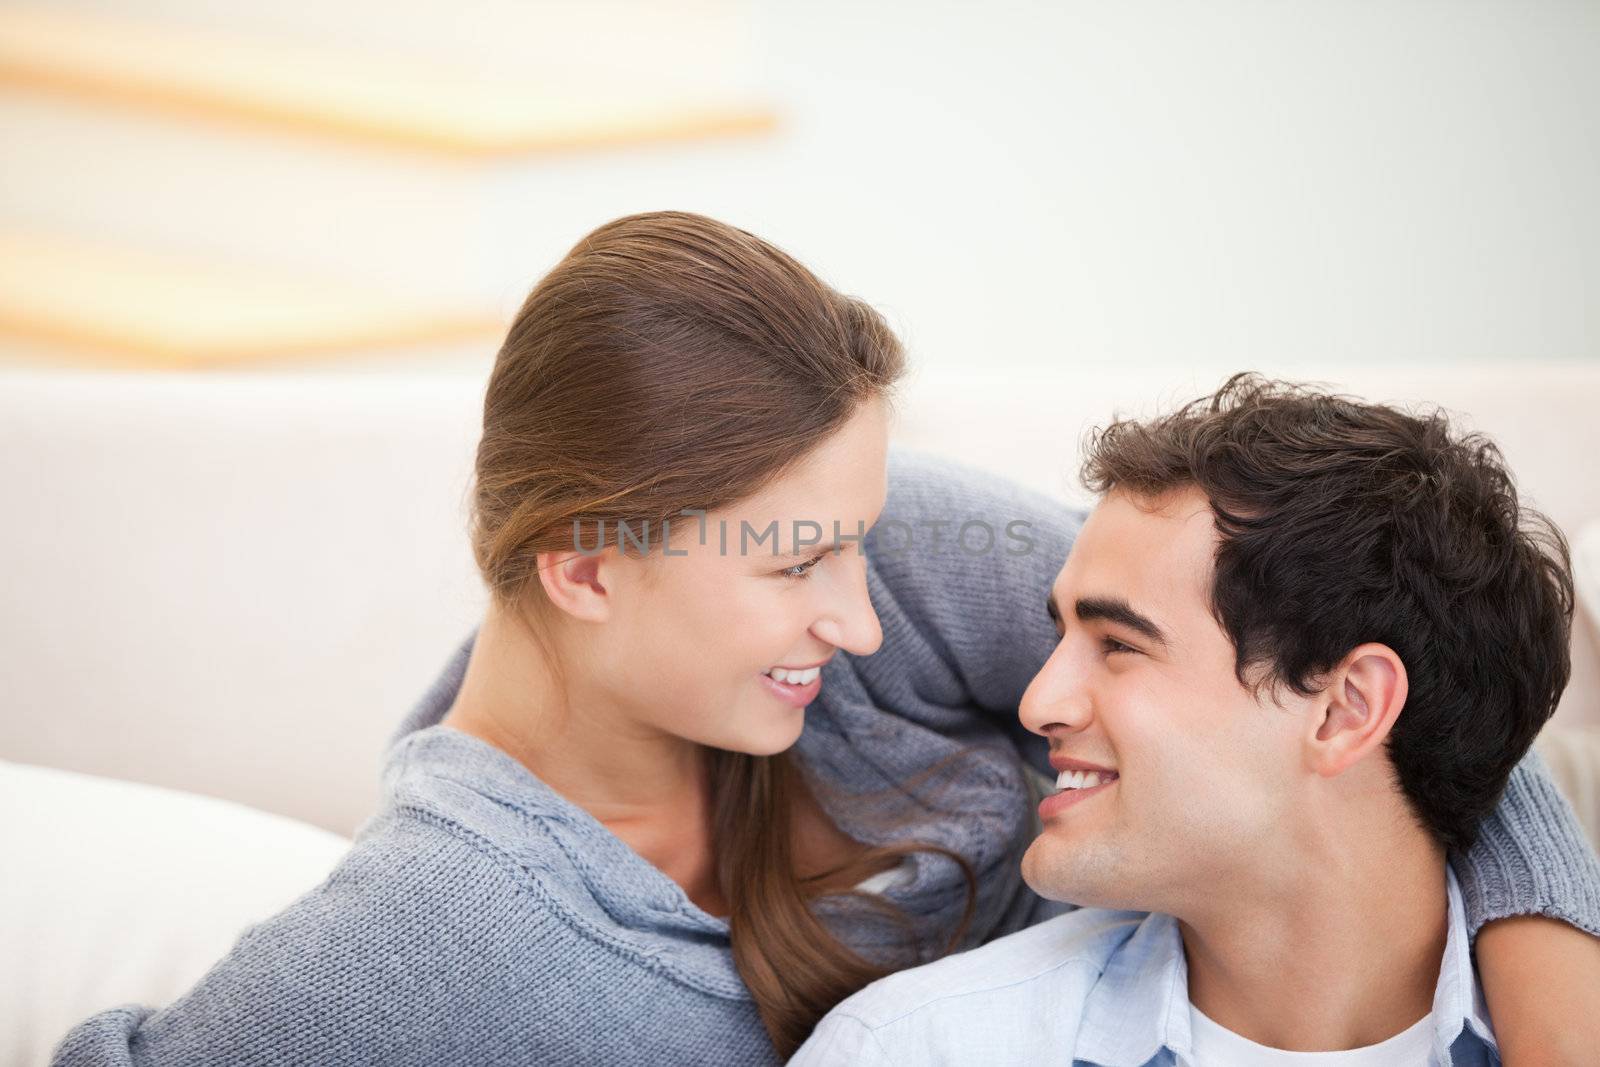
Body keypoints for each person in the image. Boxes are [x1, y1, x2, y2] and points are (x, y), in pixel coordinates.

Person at [53, 219, 1600, 1067]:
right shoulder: (436, 940)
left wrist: (1550, 995)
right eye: (802, 561)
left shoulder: (895, 547)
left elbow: (1387, 668)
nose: (862, 614)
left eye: (858, 531)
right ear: (588, 570)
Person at [792, 375, 1600, 1066]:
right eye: (1059, 634)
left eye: (1117, 644)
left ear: (1347, 709)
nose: (1038, 702)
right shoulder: (918, 1048)